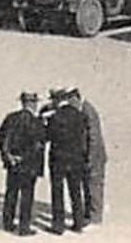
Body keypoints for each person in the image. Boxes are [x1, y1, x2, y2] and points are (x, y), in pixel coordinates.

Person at [0, 92, 46, 237]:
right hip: (29, 165)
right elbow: (39, 145)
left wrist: (7, 156)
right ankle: (24, 228)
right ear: (33, 104)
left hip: (13, 164)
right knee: (27, 196)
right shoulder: (37, 122)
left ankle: (8, 223)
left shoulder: (11, 118)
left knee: (11, 193)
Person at [43, 90, 89, 234]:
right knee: (75, 190)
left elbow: (47, 136)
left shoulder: (54, 117)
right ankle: (78, 222)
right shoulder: (81, 116)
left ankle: (58, 225)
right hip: (76, 158)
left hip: (58, 158)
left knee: (57, 191)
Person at [72, 88, 107, 225]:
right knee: (87, 186)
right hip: (87, 155)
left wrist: (91, 159)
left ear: (75, 98)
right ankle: (89, 215)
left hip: (94, 156)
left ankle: (95, 218)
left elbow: (94, 138)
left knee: (94, 187)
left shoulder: (88, 110)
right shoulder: (83, 109)